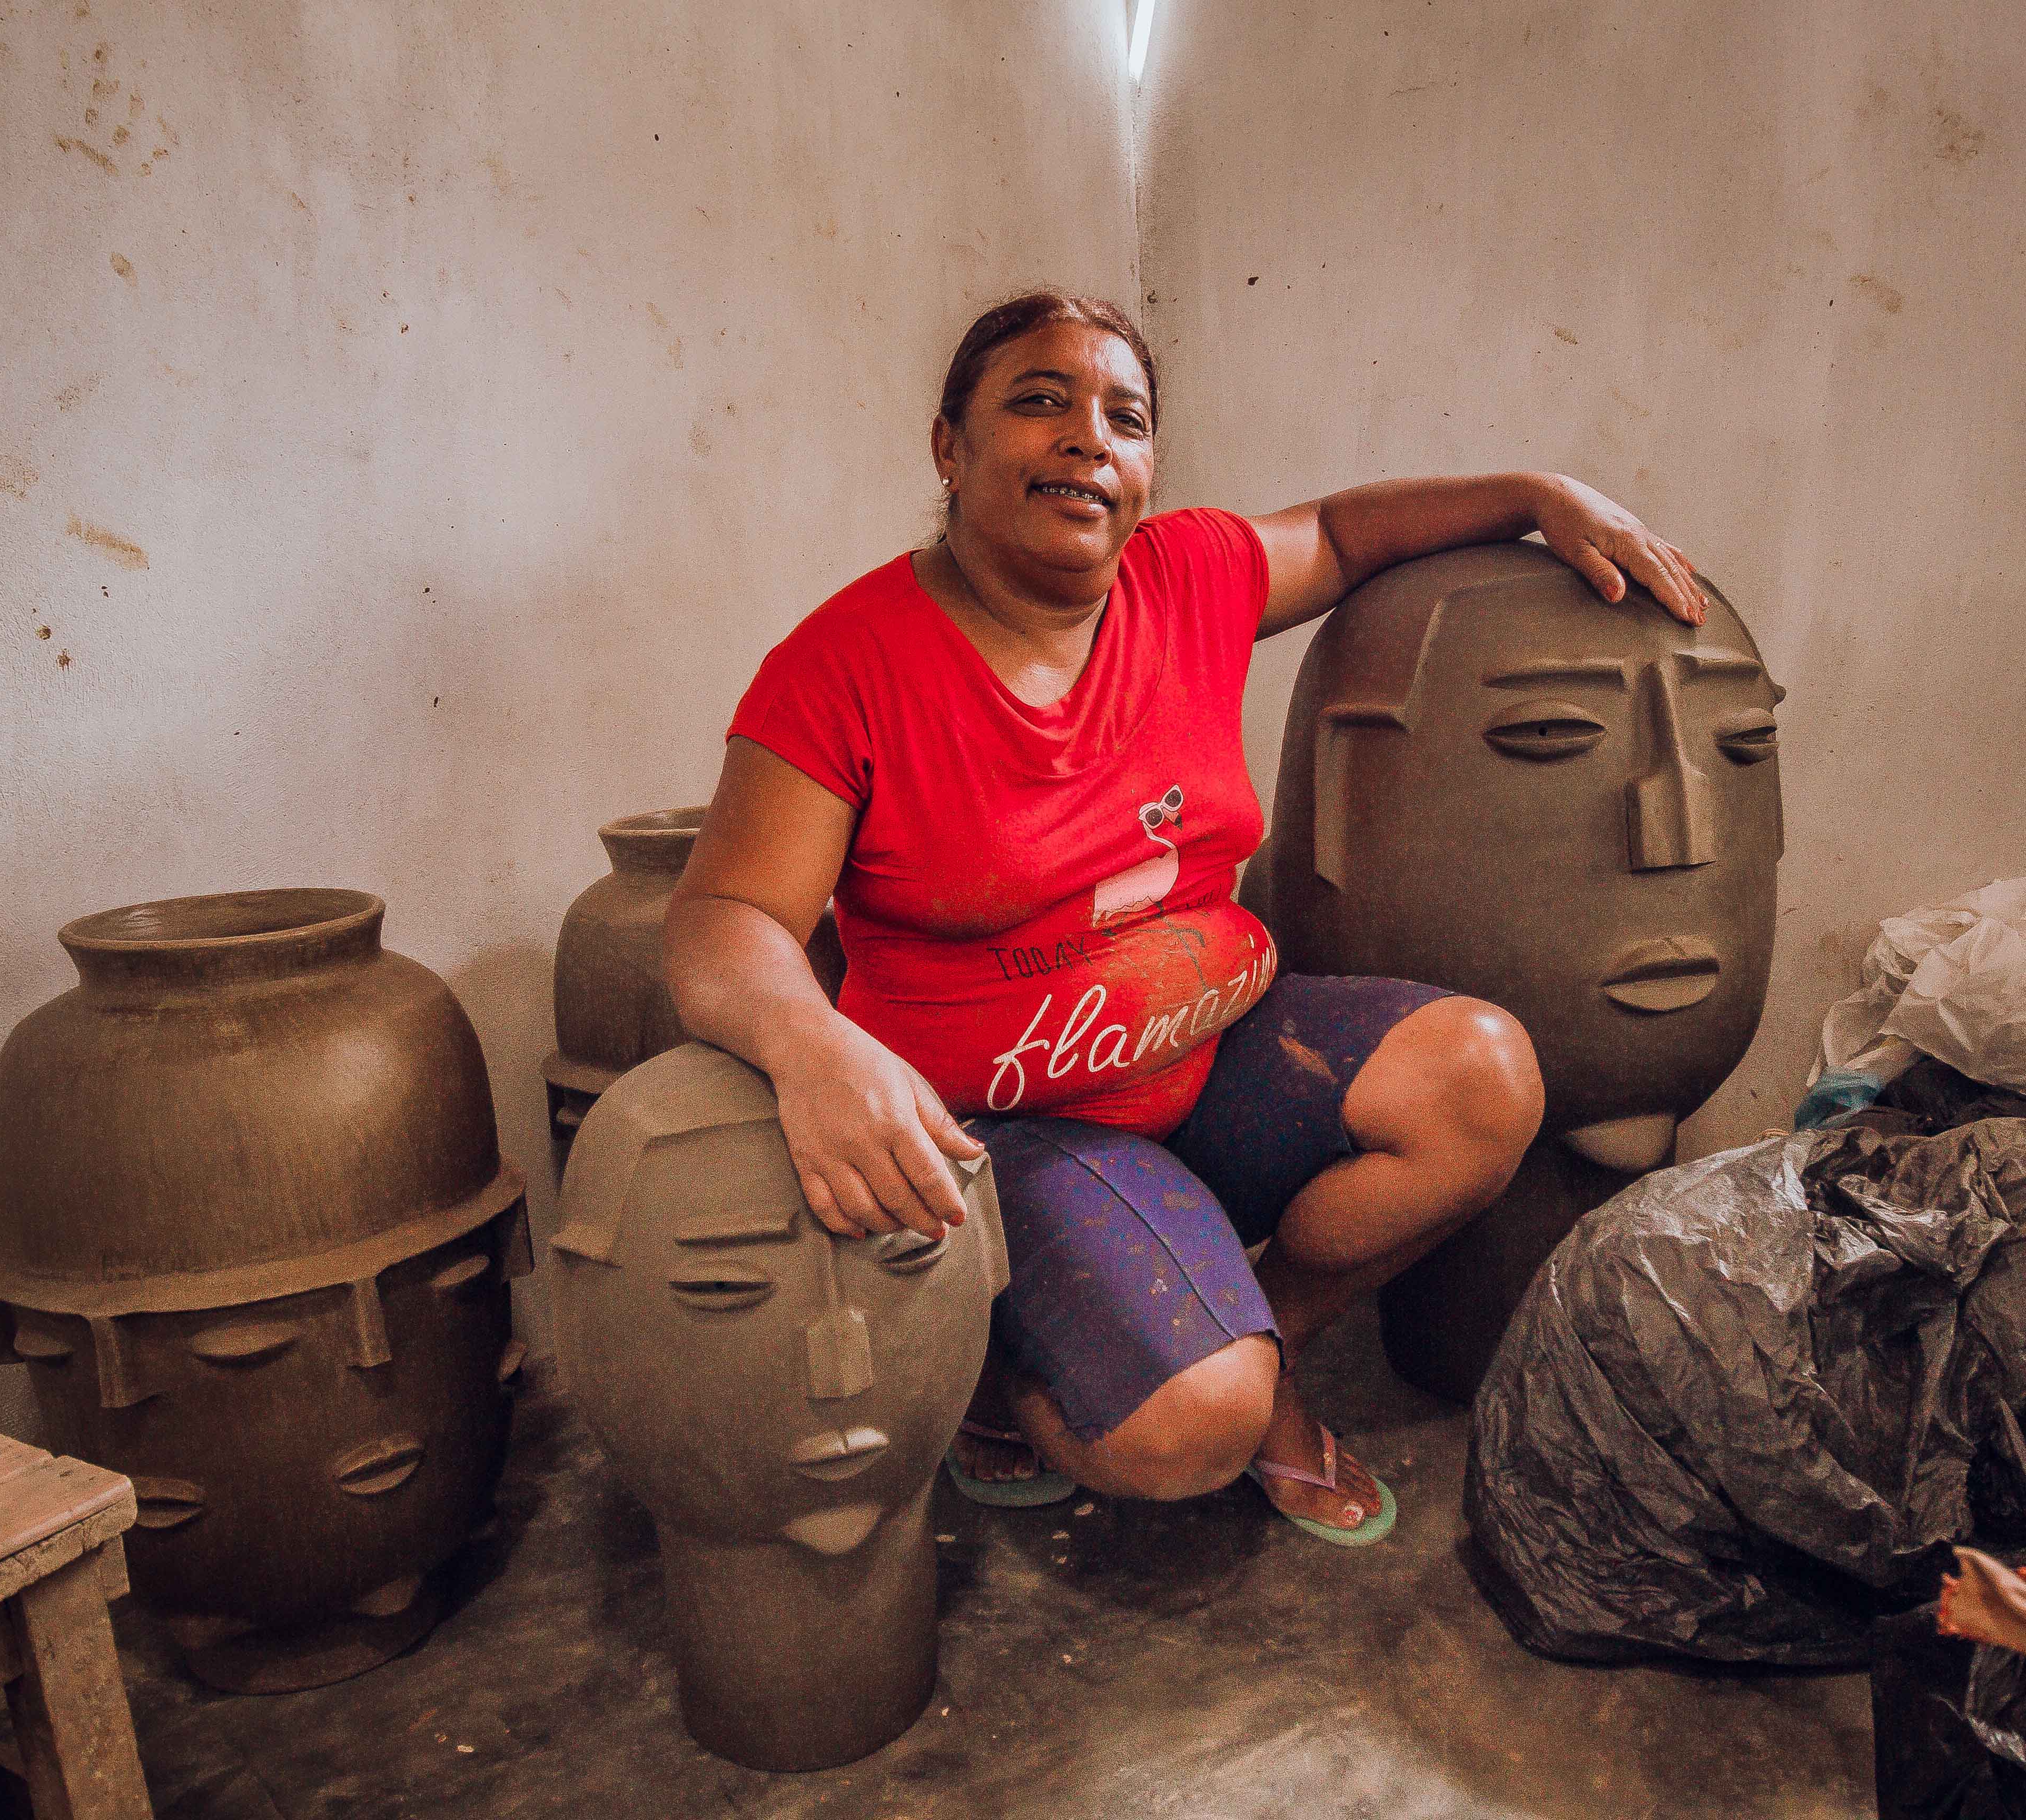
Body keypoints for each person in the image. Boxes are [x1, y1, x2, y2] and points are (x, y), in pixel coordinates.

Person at [666, 291, 1707, 1541]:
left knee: (1484, 1081)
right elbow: (723, 916)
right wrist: (809, 1046)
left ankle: (1259, 1324)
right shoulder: (843, 667)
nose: (1088, 439)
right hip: (1019, 1125)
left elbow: (1339, 528)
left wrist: (1533, 493)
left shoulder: (1189, 576)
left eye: (1126, 416)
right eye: (1039, 402)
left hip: (1216, 1053)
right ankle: (1004, 1371)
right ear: (948, 448)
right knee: (1189, 1432)